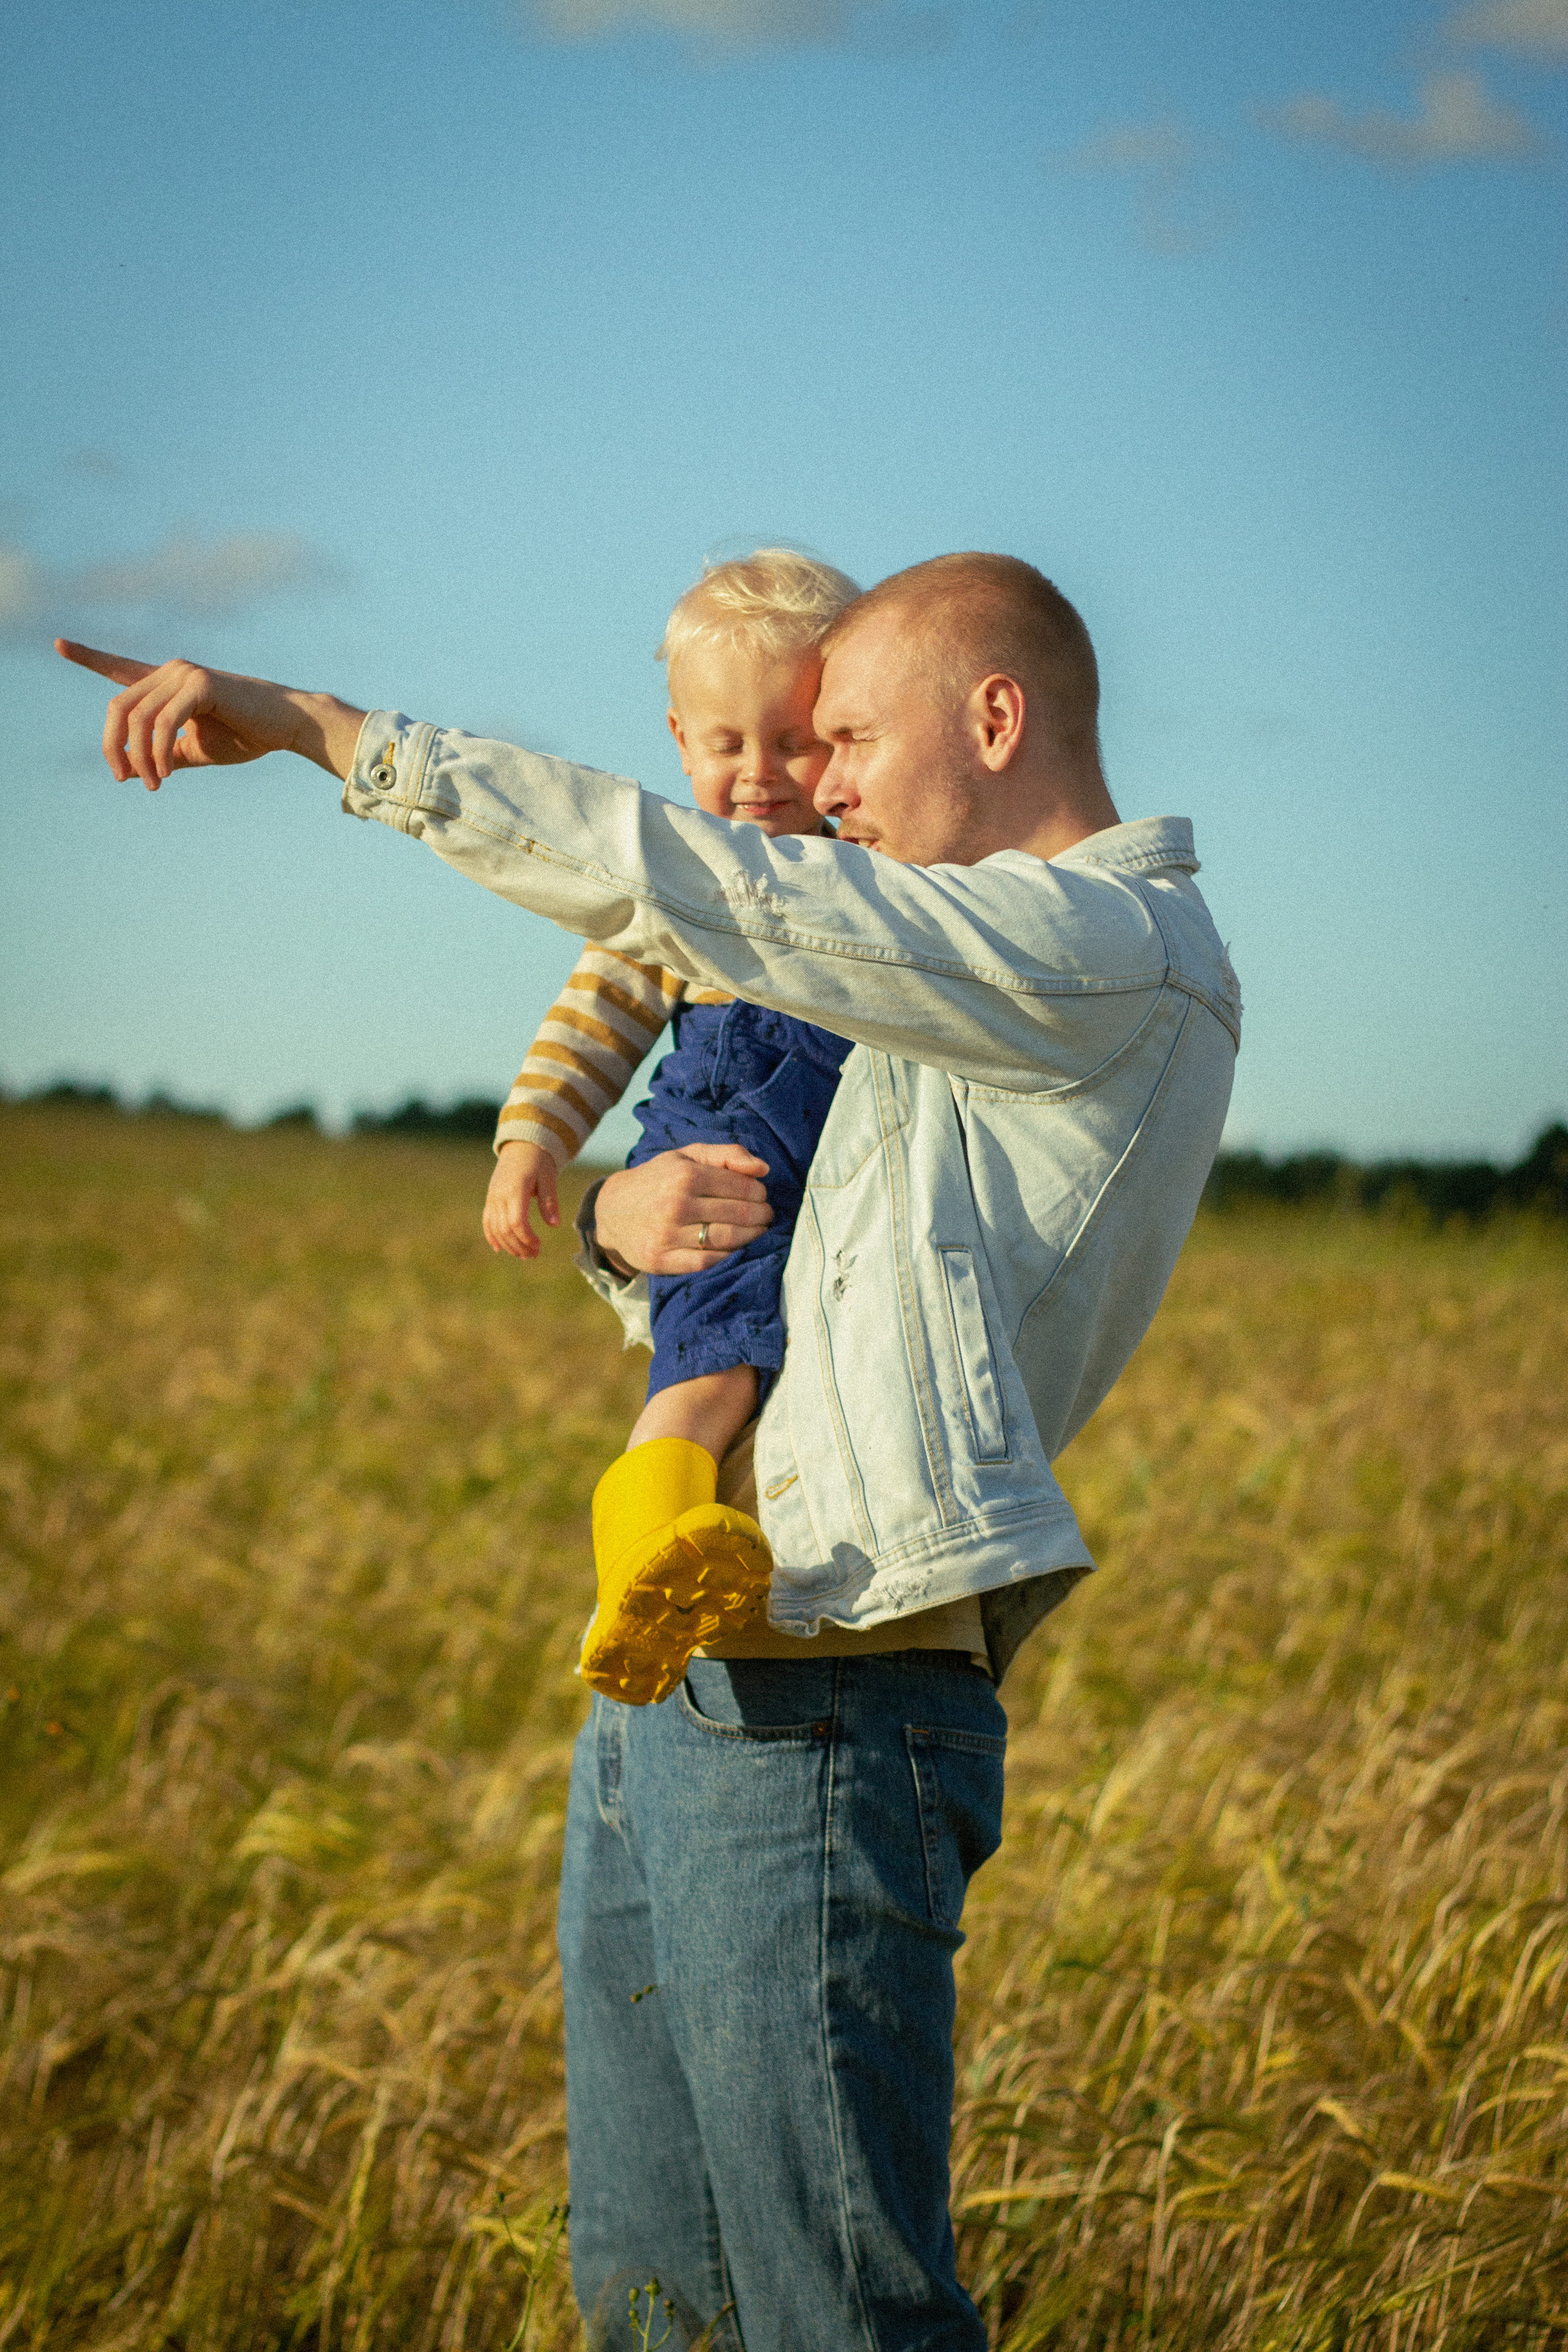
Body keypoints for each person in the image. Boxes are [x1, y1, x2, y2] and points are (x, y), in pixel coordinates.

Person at [59, 552, 1241, 2352]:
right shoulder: (926, 973)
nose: (820, 787)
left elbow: (687, 881)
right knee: (652, 2296)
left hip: (829, 1700)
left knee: (832, 2312)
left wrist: (323, 734)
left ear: (996, 720)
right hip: (678, 1680)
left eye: (847, 739)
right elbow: (774, 1263)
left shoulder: (1100, 952)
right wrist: (616, 1216)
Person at [482, 549, 861, 1706]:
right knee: (717, 1359)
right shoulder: (677, 887)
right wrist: (531, 1141)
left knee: (756, 1355)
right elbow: (593, 1017)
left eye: (791, 741)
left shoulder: (874, 868)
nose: (757, 775)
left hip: (824, 1166)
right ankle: (639, 1562)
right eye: (723, 744)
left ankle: (658, 1556)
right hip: (728, 1147)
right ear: (677, 738)